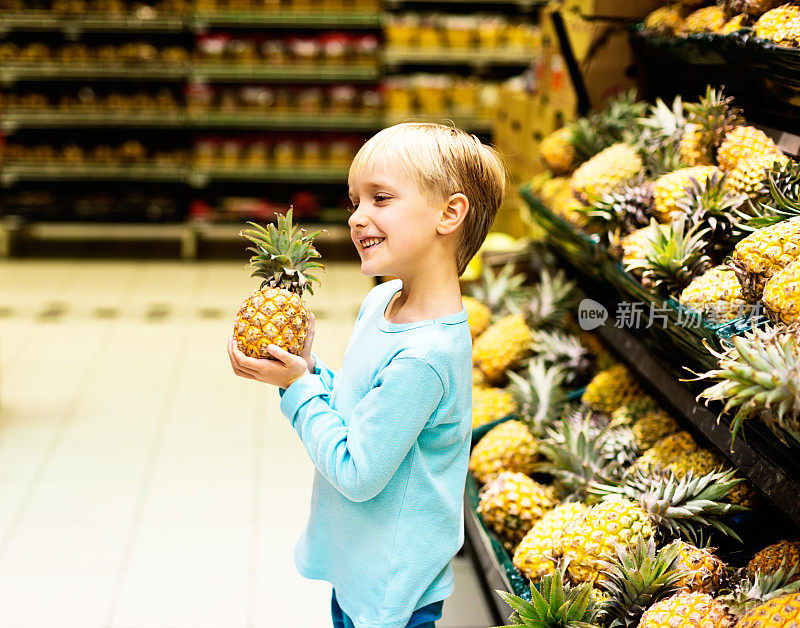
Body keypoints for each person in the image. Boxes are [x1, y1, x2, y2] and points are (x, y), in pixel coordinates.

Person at [227, 122, 506, 628]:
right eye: (355, 201)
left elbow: (358, 472)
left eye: (380, 198)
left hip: (394, 592)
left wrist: (298, 390)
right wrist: (313, 373)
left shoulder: (427, 354)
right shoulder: (382, 301)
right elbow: (365, 407)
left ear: (450, 213)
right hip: (361, 561)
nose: (358, 218)